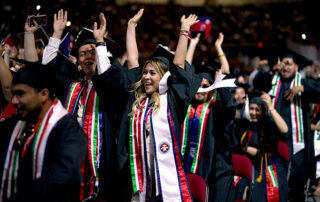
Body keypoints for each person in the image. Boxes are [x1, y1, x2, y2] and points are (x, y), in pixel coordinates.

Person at [117, 9, 201, 201]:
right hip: (138, 179)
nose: (146, 77)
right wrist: (131, 27)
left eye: (152, 73)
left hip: (163, 178)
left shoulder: (172, 100)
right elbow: (132, 61)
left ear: (163, 77)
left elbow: (178, 64)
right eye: (145, 72)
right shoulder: (137, 100)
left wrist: (184, 31)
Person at [41, 9, 124, 201]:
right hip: (71, 156)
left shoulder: (109, 87)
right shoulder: (71, 87)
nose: (88, 56)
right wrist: (55, 35)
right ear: (77, 61)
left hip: (101, 158)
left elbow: (109, 78)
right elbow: (46, 73)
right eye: (83, 53)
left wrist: (100, 43)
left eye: (92, 52)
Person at [0, 62, 87, 202]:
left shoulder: (69, 132)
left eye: (20, 94)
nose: (14, 101)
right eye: (14, 94)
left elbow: (62, 179)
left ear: (44, 94)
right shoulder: (15, 124)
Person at [253, 54, 320, 201]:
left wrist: (302, 88)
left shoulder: (302, 82)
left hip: (297, 143)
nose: (285, 67)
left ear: (296, 67)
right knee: (276, 183)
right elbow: (257, 82)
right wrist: (271, 71)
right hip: (275, 140)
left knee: (297, 185)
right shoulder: (273, 80)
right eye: (283, 64)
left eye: (289, 64)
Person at [232, 94, 288, 201]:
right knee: (239, 188)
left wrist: (270, 107)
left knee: (259, 194)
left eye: (257, 110)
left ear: (263, 111)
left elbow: (284, 129)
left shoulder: (269, 125)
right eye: (251, 109)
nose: (253, 113)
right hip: (248, 167)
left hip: (267, 167)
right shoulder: (244, 124)